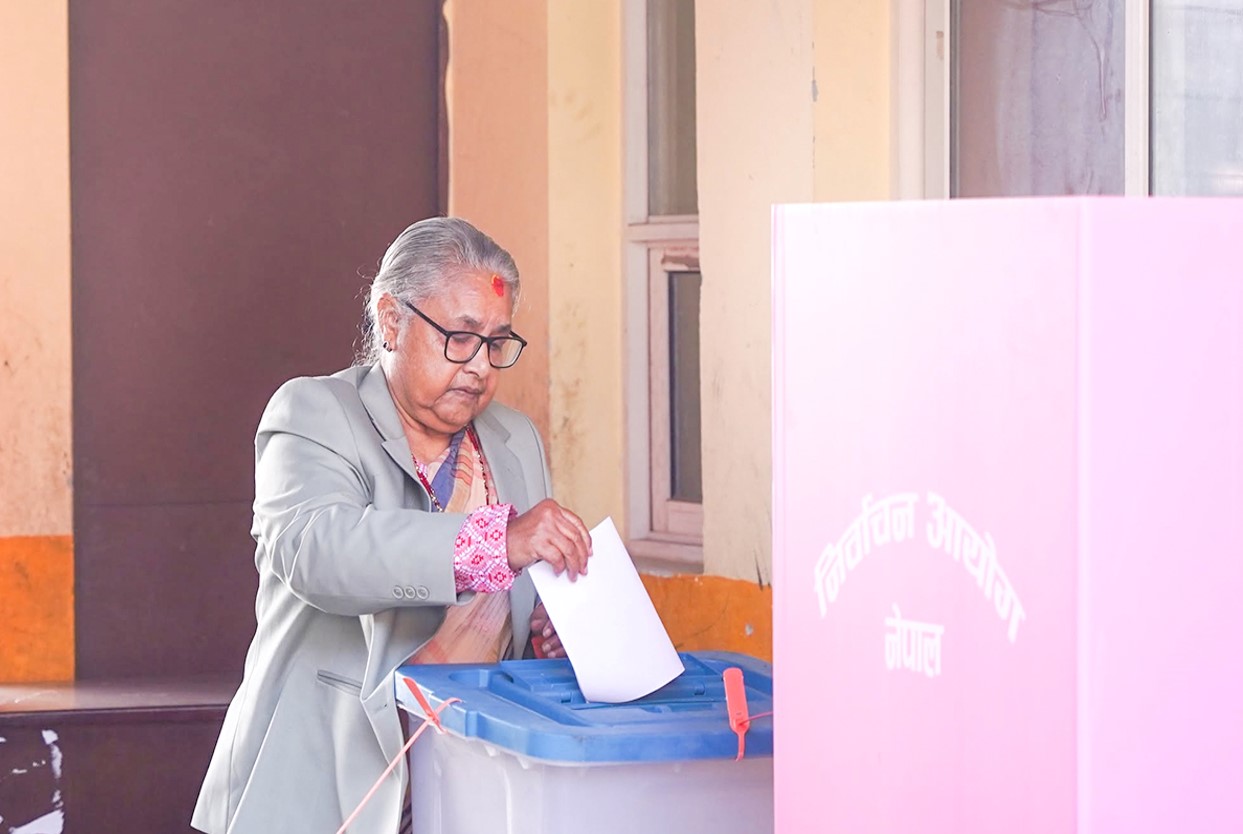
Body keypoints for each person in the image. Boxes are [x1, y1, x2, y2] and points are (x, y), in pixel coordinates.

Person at [192, 217, 593, 834]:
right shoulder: (315, 414)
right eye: (460, 337)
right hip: (326, 786)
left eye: (496, 343)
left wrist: (551, 629)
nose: (480, 367)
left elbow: (511, 611)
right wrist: (495, 542)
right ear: (391, 320)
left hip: (469, 785)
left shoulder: (514, 440)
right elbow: (319, 551)